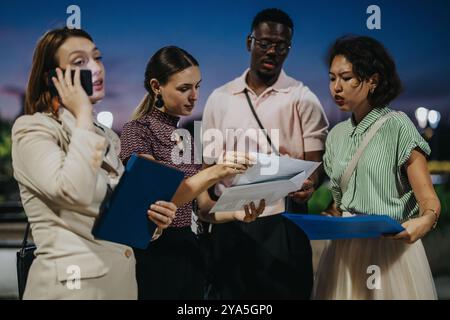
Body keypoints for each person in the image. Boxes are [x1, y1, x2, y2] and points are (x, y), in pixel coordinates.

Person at [11, 27, 177, 299]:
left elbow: (114, 214)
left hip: (119, 284)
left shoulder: (105, 135)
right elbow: (74, 191)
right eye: (79, 62)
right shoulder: (33, 129)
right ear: (53, 78)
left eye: (96, 57)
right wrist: (83, 112)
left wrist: (153, 221)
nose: (96, 68)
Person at [201, 8, 329, 299]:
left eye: (281, 46)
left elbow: (316, 165)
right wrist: (206, 207)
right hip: (230, 220)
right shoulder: (219, 98)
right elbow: (206, 166)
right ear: (250, 43)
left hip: (284, 223)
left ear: (289, 49)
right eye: (265, 43)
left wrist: (310, 184)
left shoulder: (303, 98)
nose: (272, 51)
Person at [119, 46, 265, 300]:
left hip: (191, 252)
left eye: (197, 86)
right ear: (157, 87)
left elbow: (202, 208)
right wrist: (217, 171)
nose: (195, 95)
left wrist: (237, 212)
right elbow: (156, 198)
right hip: (154, 254)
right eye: (184, 88)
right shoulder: (136, 131)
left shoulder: (187, 138)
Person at [313, 35, 440, 300]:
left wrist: (424, 222)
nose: (336, 87)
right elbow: (341, 202)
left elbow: (429, 200)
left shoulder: (398, 126)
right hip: (343, 252)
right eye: (332, 78)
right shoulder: (336, 135)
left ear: (373, 80)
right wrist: (327, 216)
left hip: (390, 251)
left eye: (346, 78)